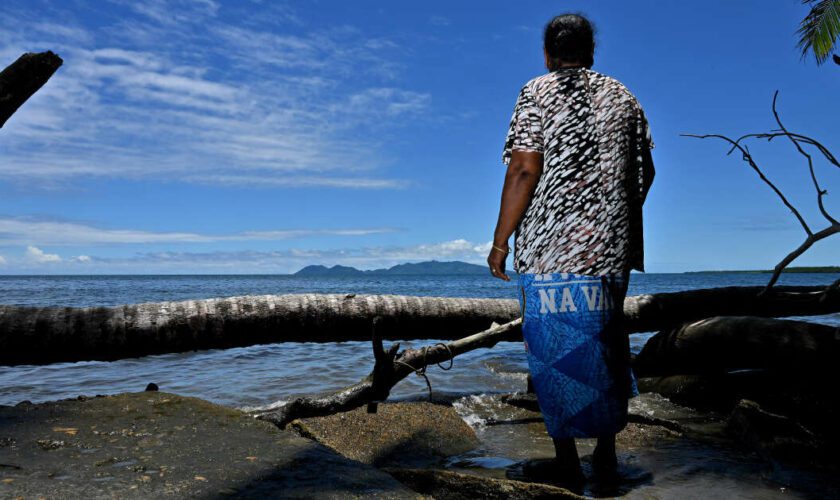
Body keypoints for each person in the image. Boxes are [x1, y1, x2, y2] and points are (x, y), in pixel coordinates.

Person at [487, 13, 655, 487]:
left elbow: (523, 168)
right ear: (591, 52)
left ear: (547, 53)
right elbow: (646, 172)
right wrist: (610, 217)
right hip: (610, 250)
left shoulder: (535, 92)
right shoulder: (624, 96)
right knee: (606, 344)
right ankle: (606, 454)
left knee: (552, 353)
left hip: (550, 252)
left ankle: (565, 459)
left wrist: (501, 241)